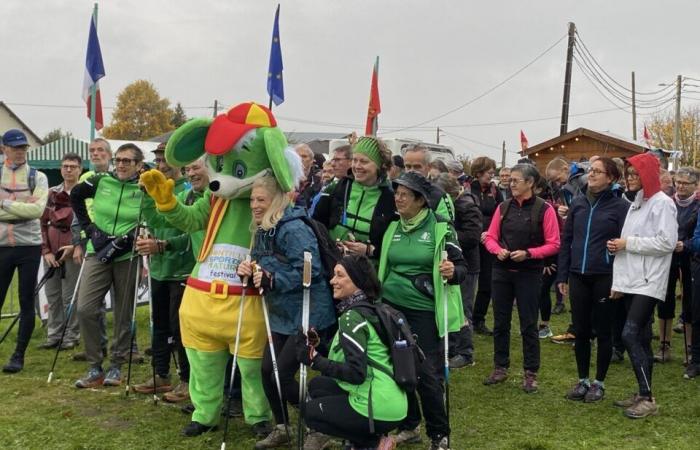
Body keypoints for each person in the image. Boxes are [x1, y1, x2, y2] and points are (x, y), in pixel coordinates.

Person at [237, 176, 335, 449]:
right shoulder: (262, 228)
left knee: (281, 374)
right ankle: (283, 426)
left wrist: (273, 280)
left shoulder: (293, 229)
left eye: (261, 200)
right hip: (280, 314)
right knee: (267, 370)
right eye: (252, 200)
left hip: (308, 313)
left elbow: (310, 270)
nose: (255, 205)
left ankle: (320, 426)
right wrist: (248, 272)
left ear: (277, 201)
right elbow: (258, 264)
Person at [378, 172, 466, 450]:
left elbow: (462, 268)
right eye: (397, 192)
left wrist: (452, 271)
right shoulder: (394, 226)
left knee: (426, 374)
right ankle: (410, 424)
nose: (399, 198)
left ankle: (439, 435)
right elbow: (385, 265)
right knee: (395, 368)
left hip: (424, 311)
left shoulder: (440, 227)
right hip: (391, 308)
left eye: (405, 194)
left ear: (421, 200)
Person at [297, 254, 405, 450]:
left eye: (340, 275)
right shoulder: (372, 308)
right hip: (393, 399)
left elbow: (356, 373)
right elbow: (350, 351)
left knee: (309, 411)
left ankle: (373, 442)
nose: (332, 280)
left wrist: (314, 360)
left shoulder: (352, 317)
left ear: (356, 281)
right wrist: (317, 345)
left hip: (378, 405)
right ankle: (363, 440)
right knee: (318, 385)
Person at [70, 143, 145, 388]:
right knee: (85, 308)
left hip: (127, 255)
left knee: (124, 313)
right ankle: (95, 366)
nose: (121, 165)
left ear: (138, 165)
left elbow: (157, 213)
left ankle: (116, 365)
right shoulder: (101, 181)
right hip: (98, 252)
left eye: (127, 161)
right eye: (119, 160)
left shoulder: (144, 187)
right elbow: (75, 196)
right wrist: (88, 228)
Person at [608, 152, 677, 419]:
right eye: (628, 174)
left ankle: (648, 398)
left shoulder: (662, 204)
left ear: (648, 175)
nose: (630, 178)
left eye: (636, 174)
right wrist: (619, 280)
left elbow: (666, 243)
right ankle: (642, 393)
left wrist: (628, 243)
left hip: (650, 281)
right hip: (632, 280)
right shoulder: (637, 203)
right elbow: (628, 246)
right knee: (643, 339)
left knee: (630, 334)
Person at [483, 163, 560, 392]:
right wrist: (498, 250)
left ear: (530, 183)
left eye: (516, 180)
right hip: (502, 271)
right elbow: (490, 237)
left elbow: (554, 243)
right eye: (510, 180)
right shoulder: (503, 207)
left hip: (529, 273)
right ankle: (500, 367)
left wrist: (529, 254)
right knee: (500, 321)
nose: (510, 183)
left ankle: (530, 372)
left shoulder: (545, 209)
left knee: (528, 323)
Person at [556, 158, 628, 403]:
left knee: (604, 330)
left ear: (611, 178)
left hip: (605, 276)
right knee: (581, 330)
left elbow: (625, 246)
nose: (592, 175)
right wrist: (562, 274)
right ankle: (583, 380)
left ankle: (599, 382)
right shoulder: (577, 203)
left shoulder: (620, 207)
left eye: (598, 171)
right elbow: (566, 241)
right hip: (577, 275)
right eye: (591, 171)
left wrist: (619, 278)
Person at [132, 143, 194, 401]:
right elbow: (154, 221)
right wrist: (147, 196)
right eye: (158, 160)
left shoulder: (190, 190)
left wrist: (163, 245)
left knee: (181, 329)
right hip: (158, 267)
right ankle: (161, 374)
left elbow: (189, 230)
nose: (161, 165)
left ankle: (187, 380)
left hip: (182, 269)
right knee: (159, 325)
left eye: (166, 160)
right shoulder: (154, 187)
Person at [0, 129, 50, 373]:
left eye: (23, 147)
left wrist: (4, 204)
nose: (20, 151)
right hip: (2, 246)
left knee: (26, 301)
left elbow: (37, 211)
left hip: (29, 246)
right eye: (15, 147)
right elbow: (28, 209)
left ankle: (18, 355)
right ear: (4, 149)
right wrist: (22, 206)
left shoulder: (37, 177)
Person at [313, 136, 395, 260]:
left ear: (379, 165)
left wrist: (370, 250)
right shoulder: (337, 187)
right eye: (354, 160)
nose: (357, 166)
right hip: (333, 267)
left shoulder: (390, 197)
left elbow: (394, 245)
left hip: (367, 272)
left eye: (364, 161)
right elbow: (317, 225)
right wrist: (330, 246)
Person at [433, 173, 483, 369]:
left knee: (463, 309)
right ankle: (452, 347)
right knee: (450, 307)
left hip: (467, 266)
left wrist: (445, 234)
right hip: (449, 264)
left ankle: (465, 351)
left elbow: (472, 236)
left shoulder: (467, 206)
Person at [38, 152, 84, 351]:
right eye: (65, 166)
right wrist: (46, 250)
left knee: (70, 295)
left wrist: (76, 245)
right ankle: (54, 333)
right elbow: (41, 222)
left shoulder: (84, 192)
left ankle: (71, 335)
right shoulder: (51, 193)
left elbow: (87, 223)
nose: (68, 170)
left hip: (73, 250)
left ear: (80, 169)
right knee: (53, 294)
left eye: (72, 166)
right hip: (52, 249)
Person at [654, 167, 699, 363]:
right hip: (667, 256)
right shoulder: (668, 202)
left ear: (696, 185)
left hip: (690, 258)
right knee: (665, 299)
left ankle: (690, 348)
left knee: (689, 302)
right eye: (678, 182)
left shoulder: (697, 205)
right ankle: (664, 346)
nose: (680, 186)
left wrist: (685, 245)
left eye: (685, 183)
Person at [470, 156, 504, 336]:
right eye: (489, 172)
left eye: (493, 172)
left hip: (488, 241)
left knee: (486, 282)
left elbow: (501, 212)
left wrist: (490, 232)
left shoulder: (495, 190)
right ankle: (464, 319)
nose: (492, 175)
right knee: (468, 282)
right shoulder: (467, 188)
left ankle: (479, 319)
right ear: (478, 172)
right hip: (470, 242)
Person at [294, 143, 322, 210]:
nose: (300, 159)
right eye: (297, 156)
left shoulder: (319, 181)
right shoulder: (285, 180)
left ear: (312, 160)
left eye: (304, 156)